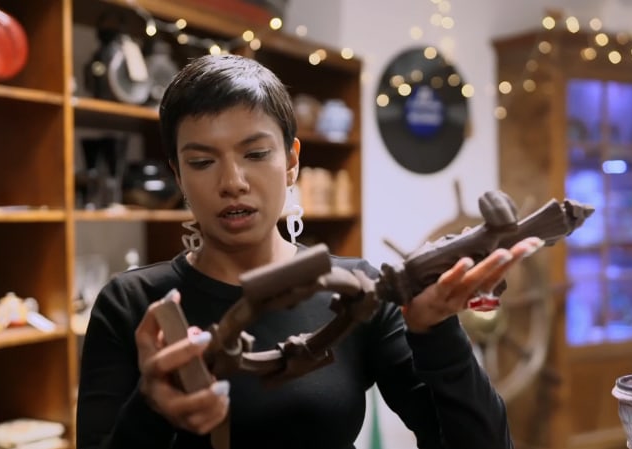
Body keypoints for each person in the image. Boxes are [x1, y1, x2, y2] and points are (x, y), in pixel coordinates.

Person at [76, 53, 544, 449]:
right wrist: (152, 406)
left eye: (256, 154)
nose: (232, 182)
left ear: (292, 163)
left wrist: (437, 332)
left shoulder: (358, 293)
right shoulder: (134, 305)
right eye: (201, 162)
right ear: (178, 175)